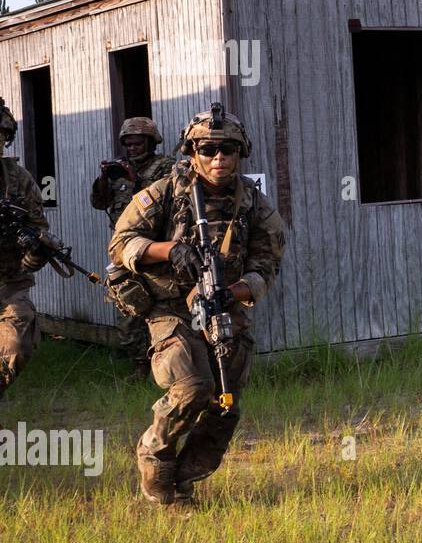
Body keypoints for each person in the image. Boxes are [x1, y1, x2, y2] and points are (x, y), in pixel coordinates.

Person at [109, 103, 285, 504]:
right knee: (192, 387)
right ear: (192, 152)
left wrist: (234, 291)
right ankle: (155, 460)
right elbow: (121, 243)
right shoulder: (165, 193)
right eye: (207, 149)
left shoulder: (253, 205)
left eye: (228, 149)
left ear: (240, 153)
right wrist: (168, 249)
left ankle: (183, 481)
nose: (218, 158)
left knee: (225, 405)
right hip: (169, 307)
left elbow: (267, 264)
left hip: (223, 307)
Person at [91, 117, 175, 370]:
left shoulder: (166, 167)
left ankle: (167, 363)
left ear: (151, 142)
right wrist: (104, 178)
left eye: (137, 143)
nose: (132, 148)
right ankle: (140, 366)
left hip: (156, 250)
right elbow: (99, 203)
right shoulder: (119, 169)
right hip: (125, 252)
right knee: (128, 308)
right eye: (128, 144)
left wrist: (135, 179)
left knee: (164, 309)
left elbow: (169, 200)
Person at [0, 97, 49, 398]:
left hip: (9, 283)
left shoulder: (19, 180)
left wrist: (35, 254)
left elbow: (38, 228)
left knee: (17, 346)